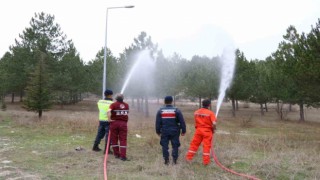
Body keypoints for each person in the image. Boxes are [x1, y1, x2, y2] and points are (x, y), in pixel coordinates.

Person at [155, 96, 186, 165]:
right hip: (175, 131)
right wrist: (183, 130)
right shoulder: (176, 110)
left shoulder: (160, 110)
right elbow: (182, 121)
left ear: (164, 101)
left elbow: (158, 122)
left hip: (164, 131)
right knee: (175, 145)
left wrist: (157, 131)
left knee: (164, 146)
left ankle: (166, 160)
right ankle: (174, 161)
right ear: (172, 101)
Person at [185, 99, 217, 165]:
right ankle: (206, 162)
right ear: (209, 105)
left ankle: (188, 158)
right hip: (207, 131)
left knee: (194, 145)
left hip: (198, 131)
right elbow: (214, 123)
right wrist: (214, 129)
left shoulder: (196, 112)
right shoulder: (210, 113)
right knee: (206, 146)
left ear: (202, 104)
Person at [108, 93, 130, 161]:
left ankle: (116, 154)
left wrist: (109, 119)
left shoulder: (113, 104)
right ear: (123, 98)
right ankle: (123, 156)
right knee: (123, 140)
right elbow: (126, 113)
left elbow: (108, 111)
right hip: (123, 124)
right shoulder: (126, 105)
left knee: (114, 139)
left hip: (114, 123)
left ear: (116, 98)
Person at [92, 89, 113, 153]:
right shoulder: (112, 103)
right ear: (110, 95)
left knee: (99, 134)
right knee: (108, 135)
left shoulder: (100, 102)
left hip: (101, 120)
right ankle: (107, 150)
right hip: (108, 121)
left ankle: (95, 146)